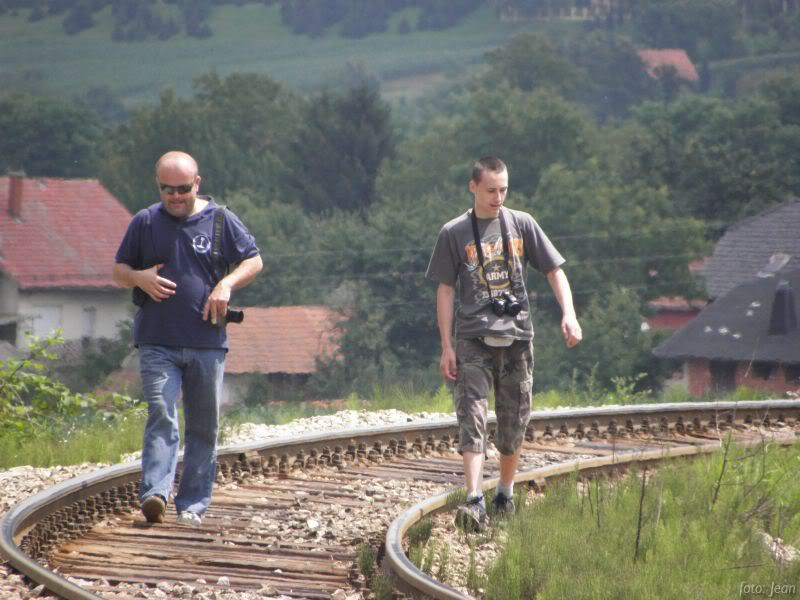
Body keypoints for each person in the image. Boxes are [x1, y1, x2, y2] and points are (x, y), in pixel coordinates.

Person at [425, 156, 581, 530]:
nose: (498, 197)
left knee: (514, 423)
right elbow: (445, 291)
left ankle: (505, 494)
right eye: (491, 189)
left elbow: (554, 271)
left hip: (517, 338)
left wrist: (569, 314)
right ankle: (474, 499)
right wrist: (446, 345)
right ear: (473, 187)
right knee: (472, 417)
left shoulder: (522, 224)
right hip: (473, 338)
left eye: (504, 189)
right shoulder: (454, 232)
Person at [113, 151, 263, 527]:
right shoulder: (145, 222)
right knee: (162, 413)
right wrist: (139, 278)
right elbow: (118, 269)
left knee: (204, 425)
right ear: (158, 186)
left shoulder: (220, 221)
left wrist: (225, 285)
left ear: (197, 183)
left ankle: (192, 506)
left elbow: (254, 260)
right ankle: (155, 495)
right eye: (168, 190)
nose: (175, 197)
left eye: (182, 189)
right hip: (156, 340)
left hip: (207, 341)